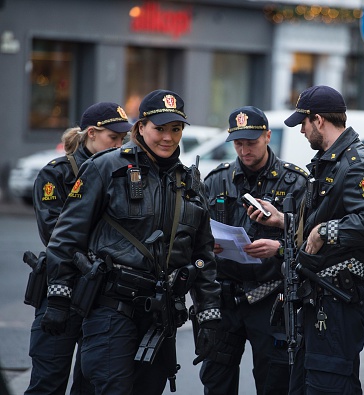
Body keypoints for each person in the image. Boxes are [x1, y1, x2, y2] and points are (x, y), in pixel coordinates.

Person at [40, 89, 221, 395]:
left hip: (161, 317)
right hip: (111, 310)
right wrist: (58, 297)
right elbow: (66, 236)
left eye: (175, 129)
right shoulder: (105, 168)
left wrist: (209, 316)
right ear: (140, 128)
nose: (167, 137)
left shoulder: (190, 183)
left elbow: (202, 256)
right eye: (159, 128)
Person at [258, 85, 364, 394]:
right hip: (319, 300)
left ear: (319, 120)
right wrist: (285, 220)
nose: (302, 132)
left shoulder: (355, 162)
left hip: (336, 303)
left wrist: (326, 232)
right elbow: (326, 215)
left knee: (328, 387)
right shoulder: (332, 160)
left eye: (304, 124)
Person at [200, 106, 308, 394]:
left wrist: (279, 248)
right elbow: (195, 235)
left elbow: (312, 242)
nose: (245, 150)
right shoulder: (216, 180)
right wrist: (207, 245)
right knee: (216, 382)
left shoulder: (296, 182)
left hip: (272, 300)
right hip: (225, 298)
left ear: (268, 136)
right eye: (238, 143)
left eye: (251, 142)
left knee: (275, 383)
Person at [27, 102, 130, 395]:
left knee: (90, 383)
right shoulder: (57, 173)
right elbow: (55, 234)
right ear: (92, 134)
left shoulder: (121, 174)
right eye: (113, 138)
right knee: (47, 382)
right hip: (61, 289)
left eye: (123, 140)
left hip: (102, 294)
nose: (118, 145)